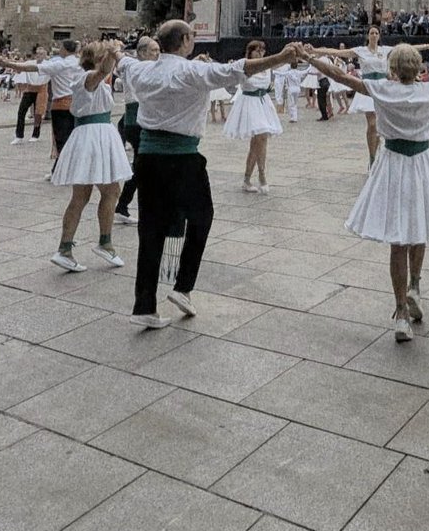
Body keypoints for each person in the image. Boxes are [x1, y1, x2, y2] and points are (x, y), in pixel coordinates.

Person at [304, 41, 429, 342]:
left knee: (398, 239)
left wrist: (309, 57)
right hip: (422, 164)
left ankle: (400, 312)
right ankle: (415, 285)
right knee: (418, 227)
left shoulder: (383, 90)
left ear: (393, 69)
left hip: (393, 164)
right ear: (419, 69)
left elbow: (342, 77)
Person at [118, 21, 301, 328]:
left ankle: (144, 303)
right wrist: (281, 58)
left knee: (150, 228)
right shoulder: (192, 72)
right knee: (202, 217)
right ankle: (183, 286)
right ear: (186, 41)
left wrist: (113, 51)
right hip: (183, 158)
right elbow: (237, 70)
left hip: (148, 157)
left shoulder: (141, 70)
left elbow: (121, 62)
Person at [48, 41, 132, 272]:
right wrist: (115, 52)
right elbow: (104, 70)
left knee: (83, 195)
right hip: (95, 137)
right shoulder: (86, 79)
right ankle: (104, 242)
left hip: (93, 135)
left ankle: (66, 248)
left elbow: (105, 71)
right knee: (110, 190)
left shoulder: (90, 80)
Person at [313, 27, 429, 169]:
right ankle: (372, 157)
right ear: (368, 35)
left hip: (384, 88)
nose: (374, 35)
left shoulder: (385, 50)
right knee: (372, 124)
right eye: (372, 33)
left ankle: (378, 153)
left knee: (379, 125)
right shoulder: (361, 51)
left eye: (376, 33)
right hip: (368, 88)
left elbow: (408, 49)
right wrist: (315, 51)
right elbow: (337, 52)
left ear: (379, 36)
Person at [5, 40, 83, 174]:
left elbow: (31, 68)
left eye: (60, 47)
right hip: (76, 103)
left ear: (64, 49)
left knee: (61, 139)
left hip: (61, 104)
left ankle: (61, 171)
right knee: (71, 137)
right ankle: (63, 169)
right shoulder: (80, 63)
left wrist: (6, 63)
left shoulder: (60, 64)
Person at [224, 39, 282, 194]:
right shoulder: (244, 66)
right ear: (250, 52)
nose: (260, 53)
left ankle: (250, 177)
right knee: (259, 139)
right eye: (257, 50)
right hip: (249, 103)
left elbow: (281, 61)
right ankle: (260, 175)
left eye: (262, 50)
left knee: (259, 141)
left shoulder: (268, 67)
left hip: (263, 103)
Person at [114, 35, 160, 224]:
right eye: (153, 51)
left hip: (134, 119)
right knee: (144, 166)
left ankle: (123, 206)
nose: (157, 54)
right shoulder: (140, 67)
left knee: (142, 165)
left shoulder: (129, 65)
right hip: (138, 119)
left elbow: (119, 58)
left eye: (158, 50)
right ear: (141, 53)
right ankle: (125, 206)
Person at [10, 46, 48, 145]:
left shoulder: (48, 65)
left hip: (41, 90)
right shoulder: (30, 63)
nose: (39, 56)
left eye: (41, 54)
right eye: (38, 54)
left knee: (38, 113)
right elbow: (18, 66)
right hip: (30, 88)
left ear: (45, 55)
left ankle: (35, 134)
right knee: (21, 111)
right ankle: (19, 135)